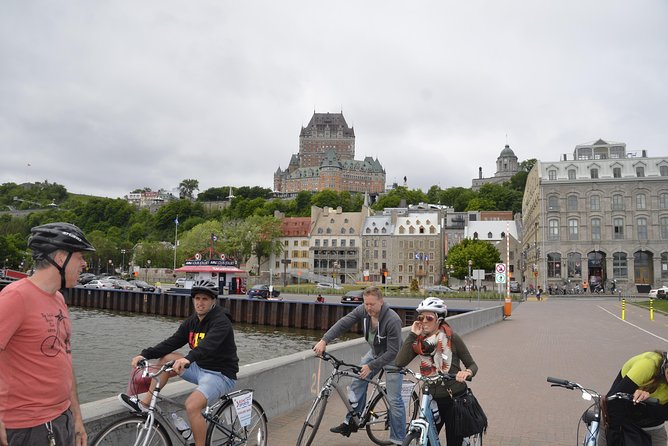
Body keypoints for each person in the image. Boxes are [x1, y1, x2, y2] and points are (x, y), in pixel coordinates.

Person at [0, 222, 96, 446]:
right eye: (80, 256)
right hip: (25, 428)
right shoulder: (16, 298)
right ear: (61, 258)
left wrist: (77, 418)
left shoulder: (58, 299)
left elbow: (65, 359)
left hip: (61, 420)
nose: (84, 263)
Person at [118, 279, 238, 446]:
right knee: (167, 358)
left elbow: (207, 345)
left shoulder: (221, 321)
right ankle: (145, 404)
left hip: (220, 374)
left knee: (192, 406)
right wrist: (144, 354)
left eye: (205, 299)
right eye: (197, 298)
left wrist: (187, 359)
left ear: (213, 301)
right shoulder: (192, 321)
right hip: (199, 368)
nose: (200, 303)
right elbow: (172, 342)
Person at [312, 286, 405, 444]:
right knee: (357, 381)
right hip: (375, 353)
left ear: (381, 302)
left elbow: (393, 351)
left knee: (394, 400)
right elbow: (343, 324)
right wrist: (324, 340)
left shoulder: (392, 320)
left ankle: (399, 439)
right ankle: (351, 422)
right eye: (366, 304)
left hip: (393, 358)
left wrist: (371, 366)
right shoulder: (363, 311)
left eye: (372, 304)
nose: (368, 308)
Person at [396, 297, 479, 446]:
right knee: (426, 441)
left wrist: (466, 372)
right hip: (431, 399)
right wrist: (412, 335)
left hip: (455, 399)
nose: (424, 321)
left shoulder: (453, 338)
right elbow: (399, 362)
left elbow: (472, 365)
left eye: (429, 318)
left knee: (454, 442)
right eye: (421, 317)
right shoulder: (419, 342)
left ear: (439, 320)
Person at [604, 351, 668, 446]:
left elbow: (664, 414)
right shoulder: (648, 364)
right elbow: (614, 401)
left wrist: (647, 402)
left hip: (652, 426)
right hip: (619, 419)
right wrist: (615, 437)